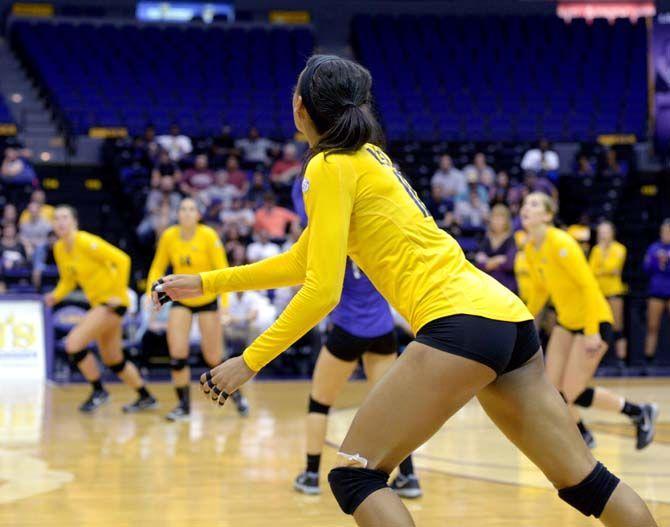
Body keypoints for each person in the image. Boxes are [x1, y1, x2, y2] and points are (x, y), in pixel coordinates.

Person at [152, 55, 658, 527]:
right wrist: (206, 282)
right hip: (508, 320)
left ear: (300, 107)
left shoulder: (326, 167)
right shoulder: (367, 156)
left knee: (354, 475)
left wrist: (249, 361)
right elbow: (304, 259)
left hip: (458, 324)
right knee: (585, 483)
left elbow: (322, 291)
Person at [289, 173, 421, 498]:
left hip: (347, 331)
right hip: (382, 331)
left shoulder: (329, 237)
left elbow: (311, 284)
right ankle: (409, 477)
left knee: (319, 403)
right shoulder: (377, 232)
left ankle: (309, 475)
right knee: (392, 407)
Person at [522, 193, 658, 450]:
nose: (525, 208)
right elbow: (540, 290)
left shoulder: (561, 242)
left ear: (548, 215)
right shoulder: (530, 248)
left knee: (572, 391)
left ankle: (638, 412)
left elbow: (588, 285)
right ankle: (583, 434)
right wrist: (524, 318)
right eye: (524, 204)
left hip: (593, 319)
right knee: (554, 389)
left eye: (534, 204)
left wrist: (593, 330)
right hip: (567, 321)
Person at [46, 205, 157, 413]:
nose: (60, 222)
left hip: (113, 304)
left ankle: (99, 391)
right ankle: (146, 396)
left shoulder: (86, 241)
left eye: (65, 217)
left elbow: (123, 260)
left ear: (74, 222)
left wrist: (117, 292)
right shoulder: (59, 249)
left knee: (73, 344)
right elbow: (68, 280)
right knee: (113, 359)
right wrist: (55, 296)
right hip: (101, 305)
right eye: (56, 219)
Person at [146, 198, 248, 421]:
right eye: (182, 208)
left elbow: (223, 270)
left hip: (207, 300)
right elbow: (157, 266)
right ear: (178, 214)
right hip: (181, 299)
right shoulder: (169, 236)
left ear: (198, 215)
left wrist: (225, 306)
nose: (186, 212)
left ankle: (236, 395)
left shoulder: (209, 236)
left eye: (191, 209)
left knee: (213, 358)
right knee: (177, 355)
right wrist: (150, 293)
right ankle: (183, 406)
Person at [589, 222, 628, 363]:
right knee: (600, 326)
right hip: (599, 293)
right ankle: (598, 360)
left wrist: (601, 269)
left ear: (612, 233)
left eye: (606, 232)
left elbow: (614, 267)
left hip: (614, 292)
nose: (603, 235)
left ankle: (621, 360)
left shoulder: (620, 248)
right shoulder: (595, 250)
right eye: (601, 232)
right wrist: (605, 271)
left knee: (617, 325)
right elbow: (591, 271)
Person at [642, 218, 670, 367]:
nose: (667, 234)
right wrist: (657, 262)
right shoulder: (653, 248)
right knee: (652, 326)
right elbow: (646, 269)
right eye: (664, 231)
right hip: (656, 291)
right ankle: (649, 359)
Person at [474, 204, 517, 293]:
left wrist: (488, 262)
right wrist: (498, 260)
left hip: (505, 283)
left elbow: (509, 264)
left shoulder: (512, 238)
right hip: (486, 280)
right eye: (494, 217)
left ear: (506, 221)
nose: (497, 221)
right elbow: (478, 262)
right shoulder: (487, 238)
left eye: (500, 218)